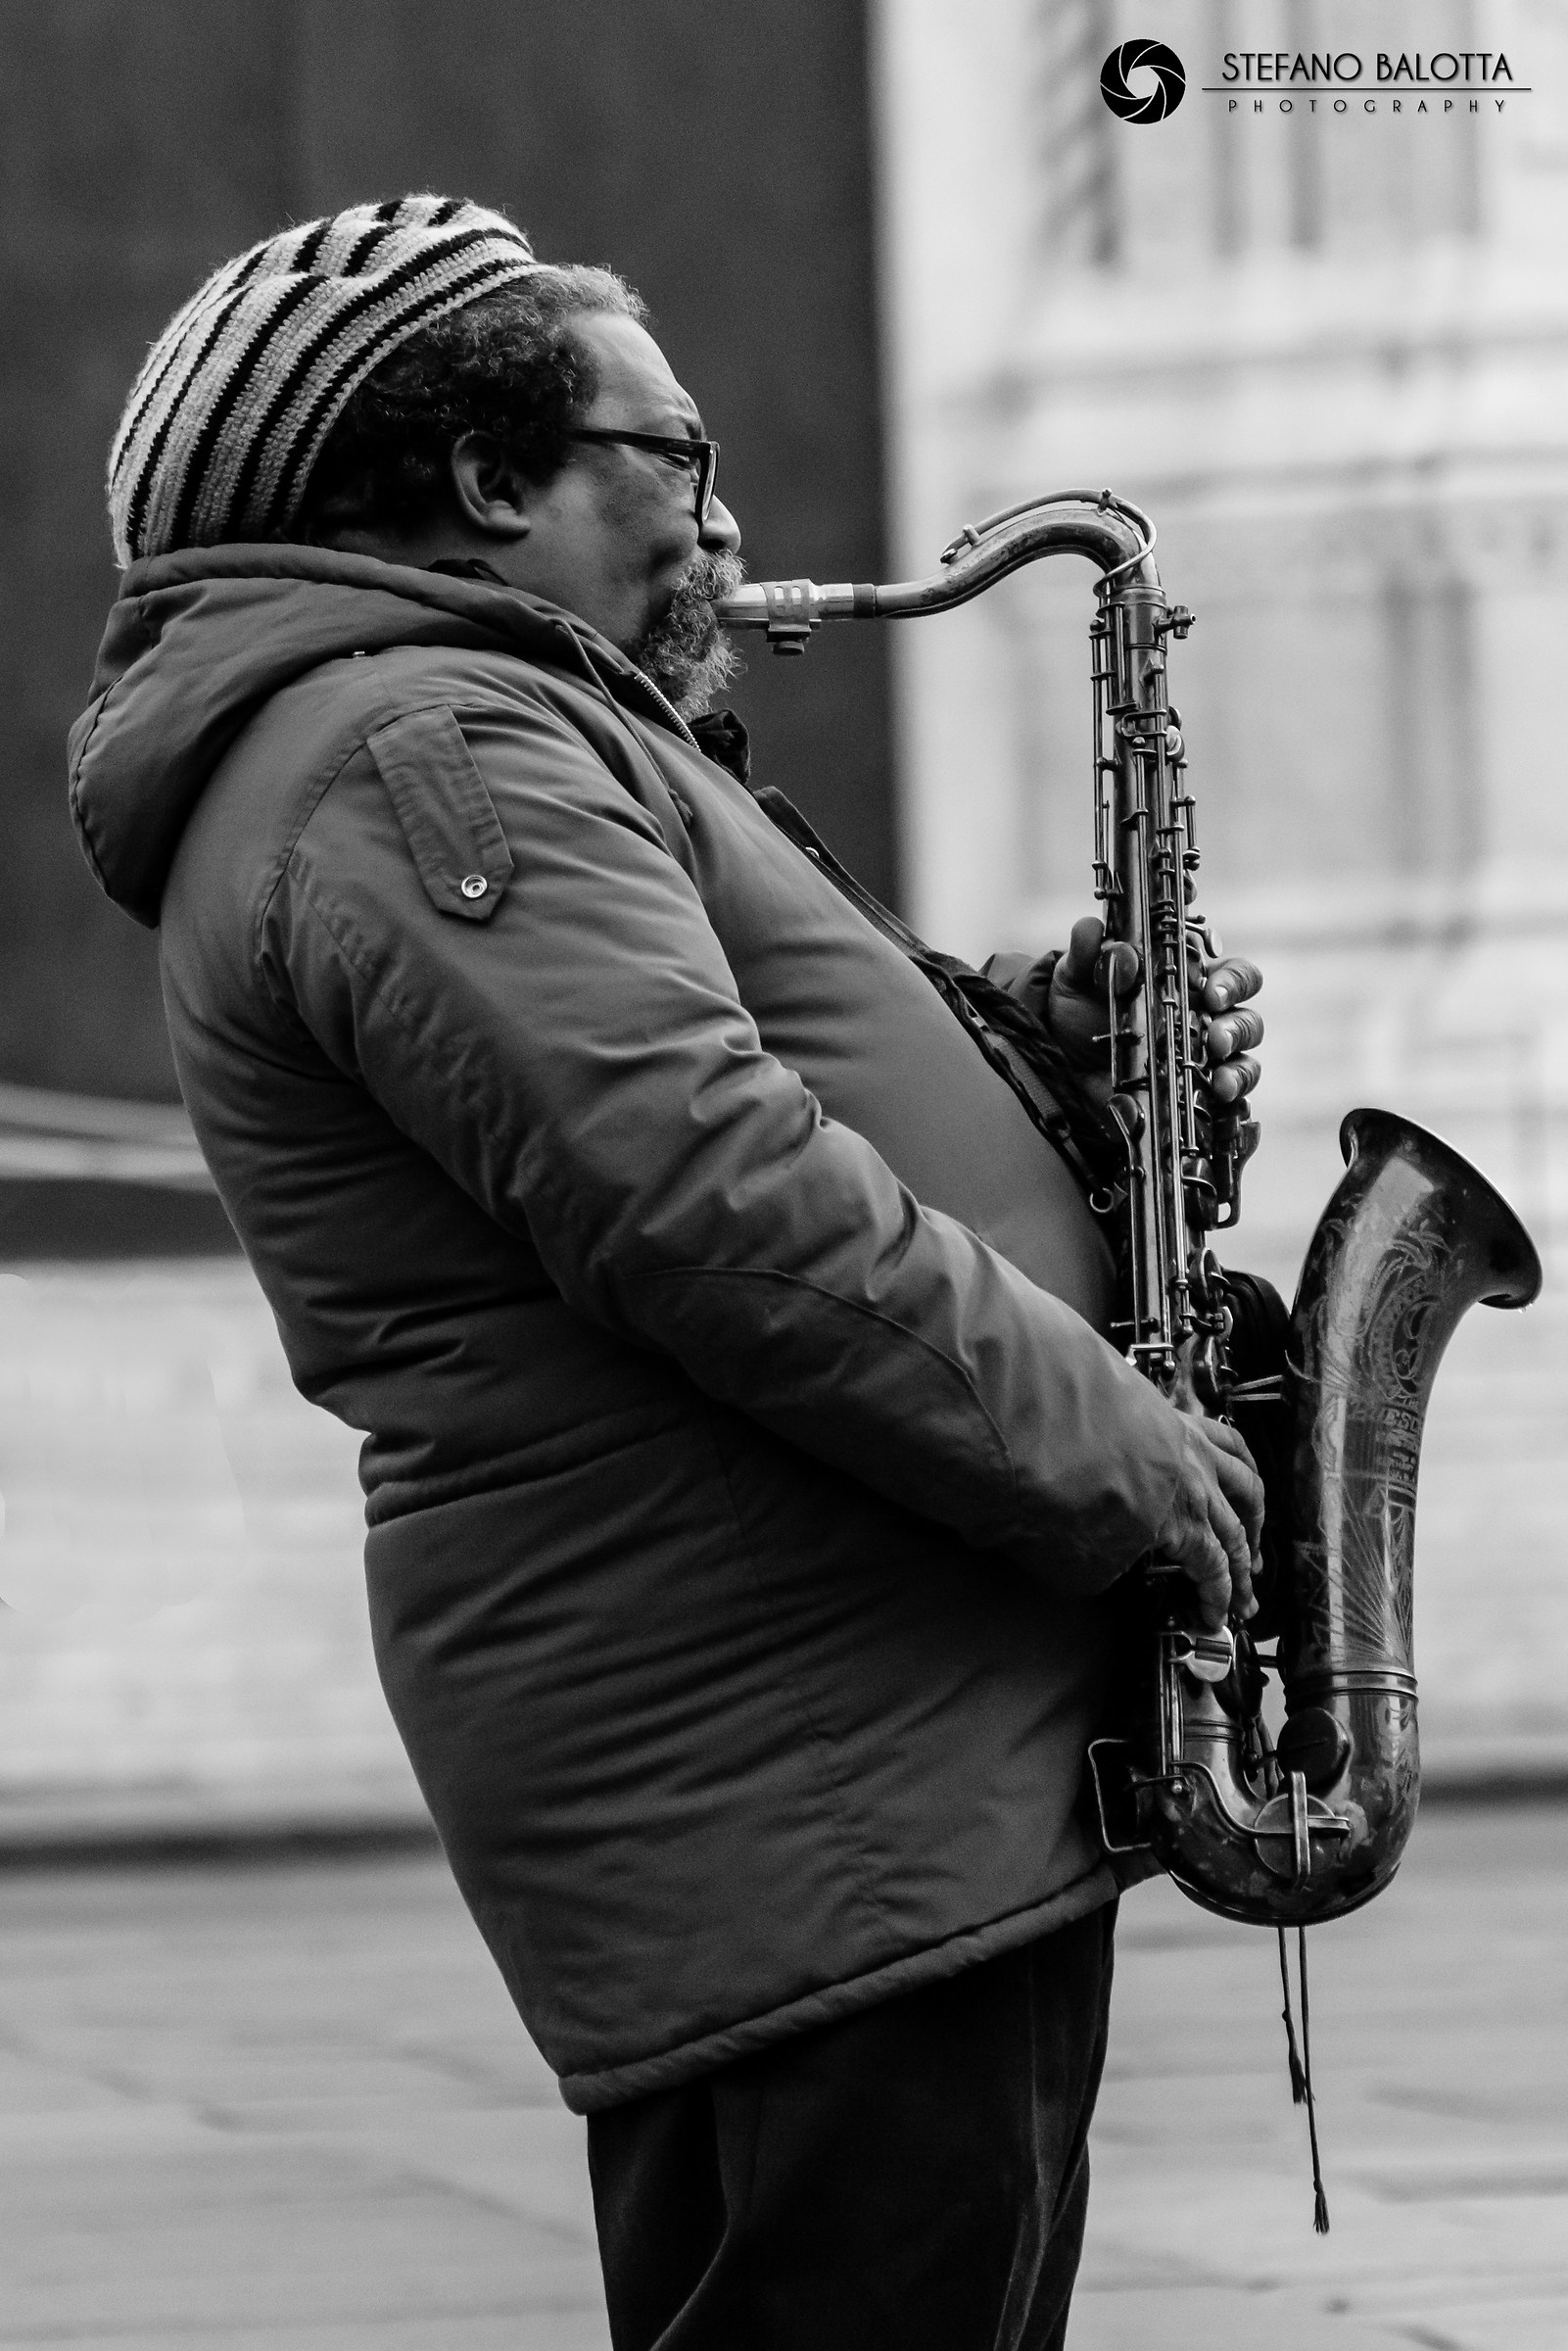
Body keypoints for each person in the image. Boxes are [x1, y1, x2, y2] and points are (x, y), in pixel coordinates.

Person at [71, 196, 1265, 2350]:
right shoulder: (427, 752)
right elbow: (716, 1203)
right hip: (807, 1758)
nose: (721, 524)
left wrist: (1044, 1053)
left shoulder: (463, 732)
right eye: (672, 454)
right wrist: (1136, 1463)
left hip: (849, 1738)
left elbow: (713, 1107)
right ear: (485, 478)